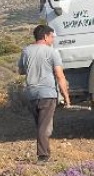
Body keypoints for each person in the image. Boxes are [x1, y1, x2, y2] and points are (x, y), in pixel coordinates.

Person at [18, 24, 70, 160]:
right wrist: (67, 98)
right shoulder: (52, 52)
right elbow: (60, 76)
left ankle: (46, 154)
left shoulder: (26, 51)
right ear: (45, 36)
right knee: (43, 127)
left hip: (31, 94)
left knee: (41, 125)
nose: (53, 39)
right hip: (47, 94)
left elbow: (21, 71)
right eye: (52, 36)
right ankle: (43, 155)